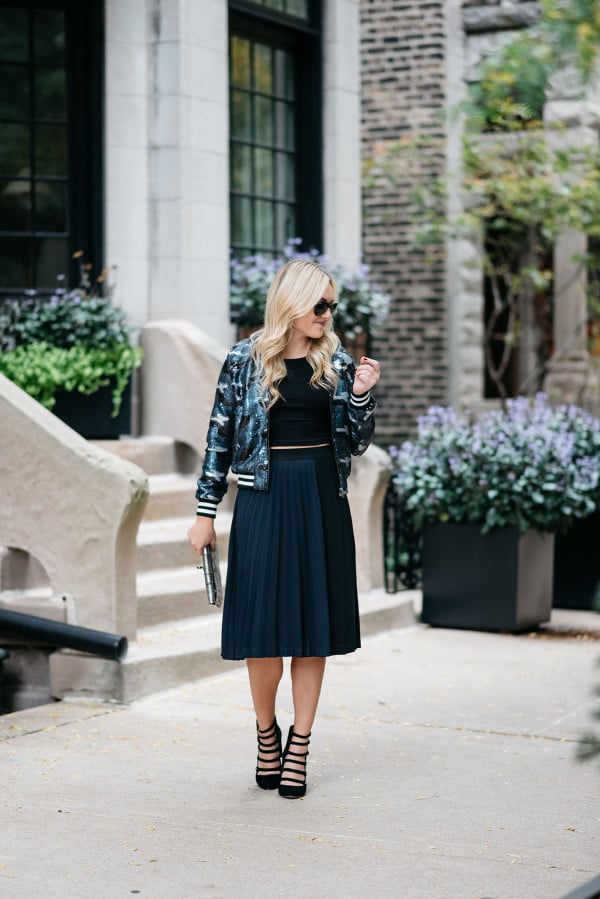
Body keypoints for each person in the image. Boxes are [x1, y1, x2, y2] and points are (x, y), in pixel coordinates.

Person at [187, 258, 380, 798]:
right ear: (291, 303)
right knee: (262, 632)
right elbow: (218, 439)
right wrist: (205, 512)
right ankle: (265, 731)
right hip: (263, 500)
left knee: (312, 628)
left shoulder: (336, 361)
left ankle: (299, 746)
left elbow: (358, 441)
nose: (327, 315)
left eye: (331, 306)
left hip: (321, 498)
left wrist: (362, 395)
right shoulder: (243, 361)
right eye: (318, 305)